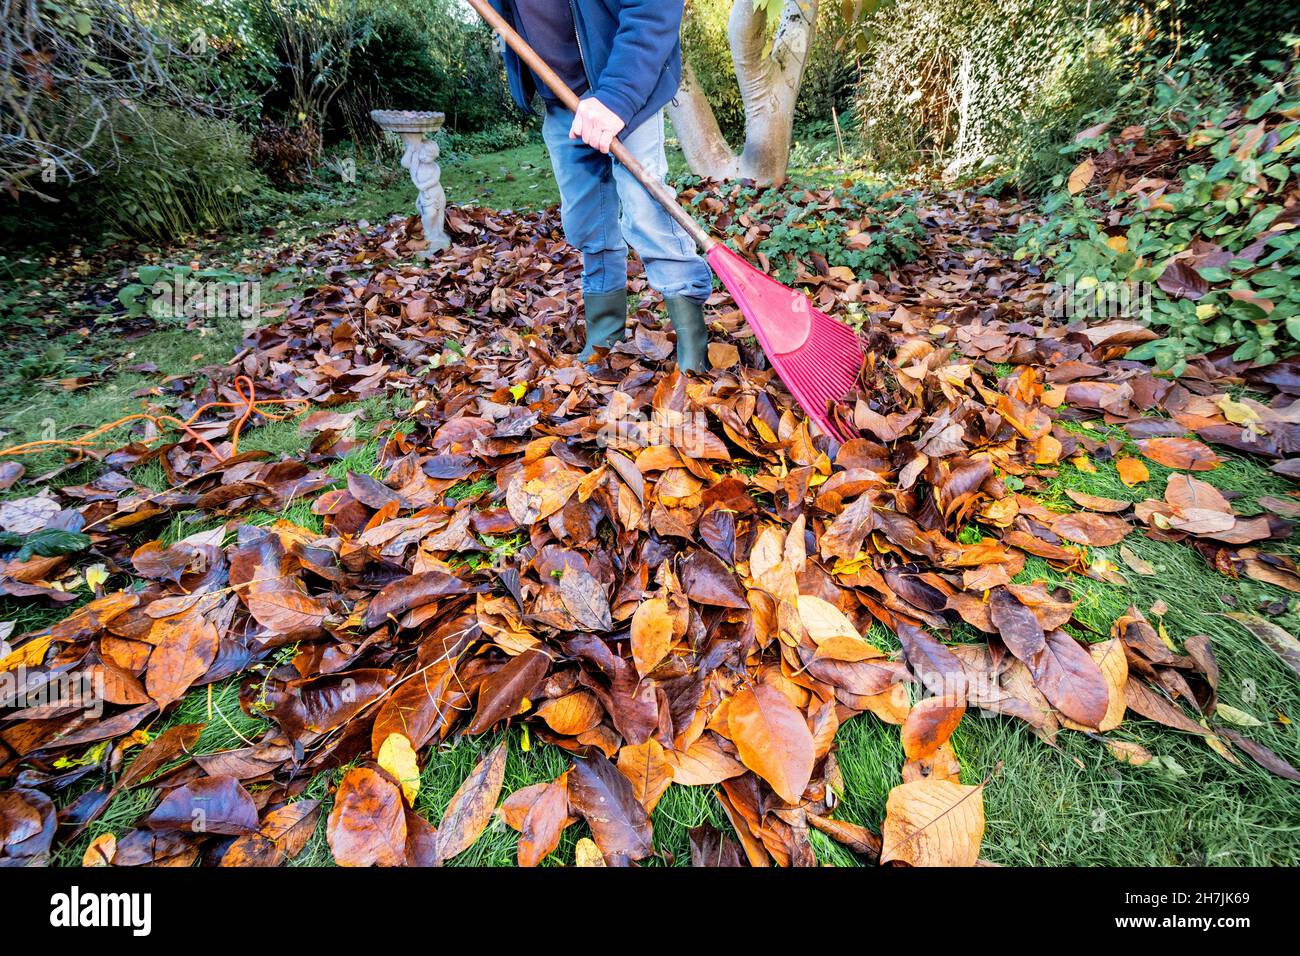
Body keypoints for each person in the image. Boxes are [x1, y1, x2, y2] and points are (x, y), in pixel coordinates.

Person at [487, 0, 712, 370]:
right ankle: (605, 334)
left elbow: (653, 9)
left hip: (626, 85)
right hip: (560, 97)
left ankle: (692, 346)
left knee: (647, 214)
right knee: (586, 220)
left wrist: (617, 97)